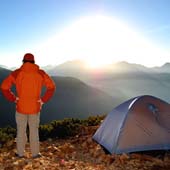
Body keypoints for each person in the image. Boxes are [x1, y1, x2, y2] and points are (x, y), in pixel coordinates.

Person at [1, 53, 55, 158]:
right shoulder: (40, 73)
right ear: (33, 61)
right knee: (34, 131)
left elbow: (4, 87)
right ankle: (35, 154)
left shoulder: (17, 73)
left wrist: (13, 98)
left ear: (23, 61)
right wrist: (43, 100)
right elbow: (52, 87)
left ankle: (20, 153)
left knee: (21, 131)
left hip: (21, 107)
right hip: (35, 108)